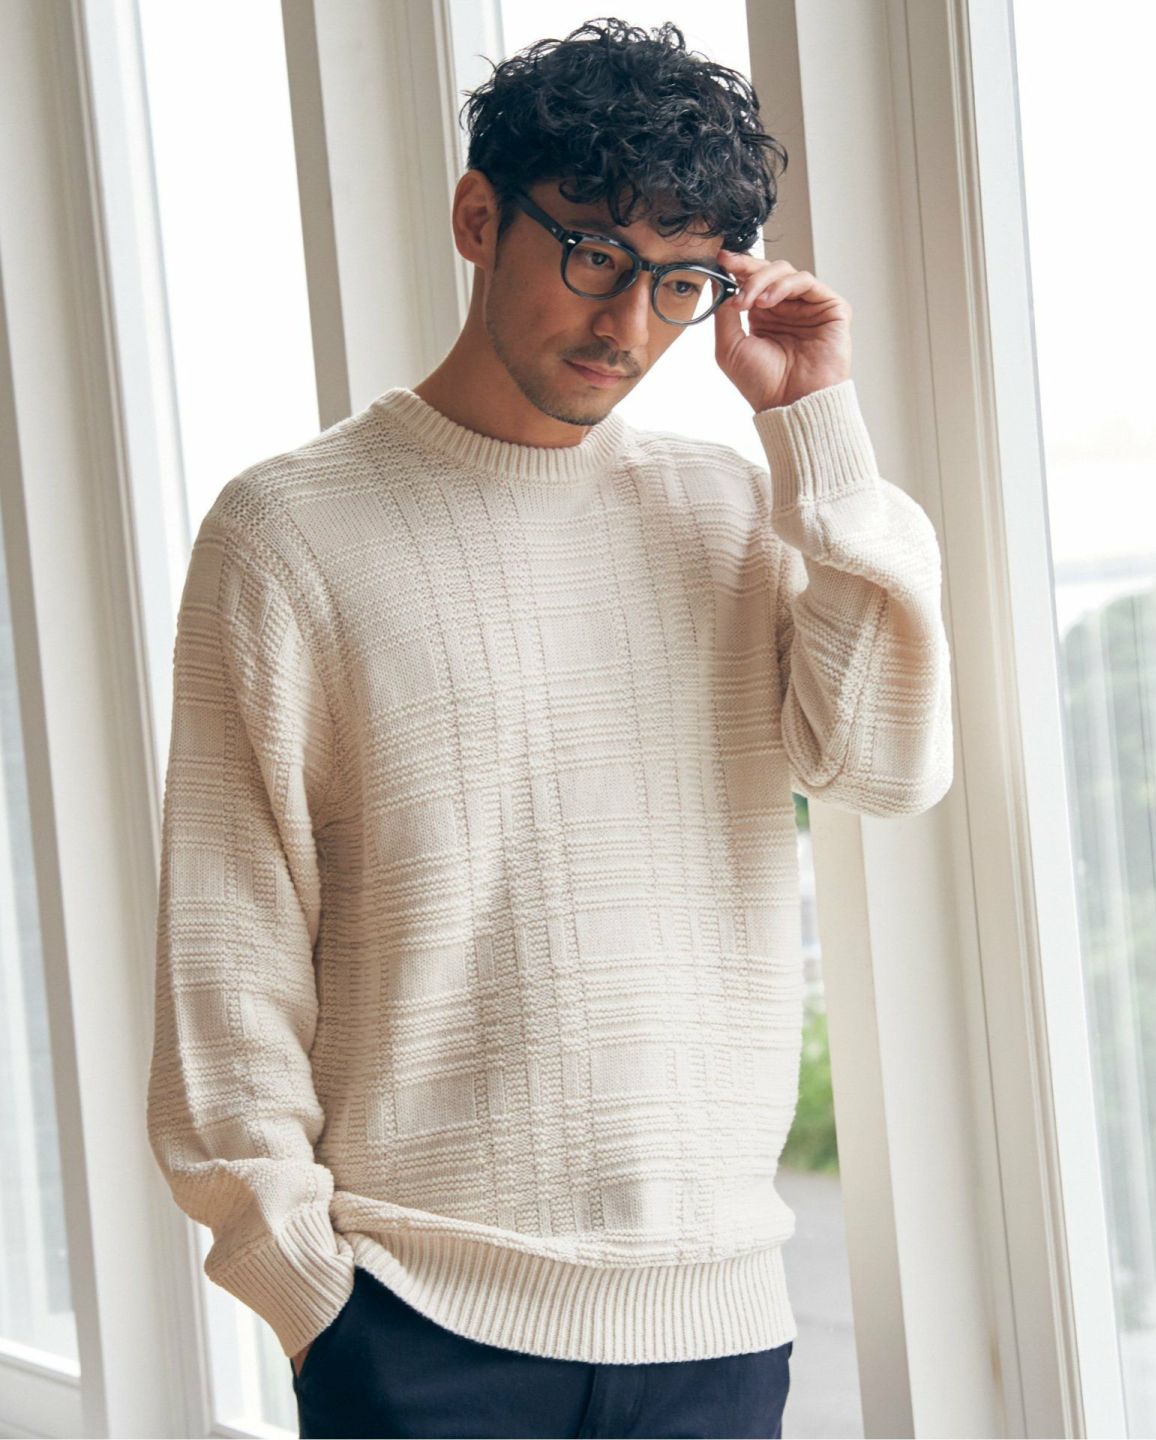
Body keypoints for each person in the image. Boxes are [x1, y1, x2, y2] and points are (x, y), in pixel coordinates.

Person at [145, 16, 953, 1439]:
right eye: (594, 256)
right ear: (480, 220)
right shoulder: (288, 531)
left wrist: (817, 435)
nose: (629, 326)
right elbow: (229, 939)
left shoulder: (726, 511)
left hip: (713, 1320)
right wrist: (307, 1289)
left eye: (680, 283)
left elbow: (882, 764)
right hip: (417, 1324)